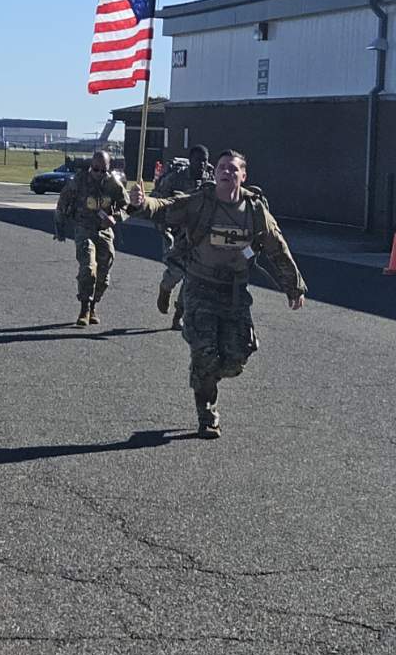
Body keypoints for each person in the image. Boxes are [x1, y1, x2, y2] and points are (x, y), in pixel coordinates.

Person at [127, 150, 305, 439]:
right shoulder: (200, 202)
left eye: (233, 169)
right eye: (222, 167)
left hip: (235, 292)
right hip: (200, 288)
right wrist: (141, 202)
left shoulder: (255, 210)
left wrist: (293, 286)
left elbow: (277, 247)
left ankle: (205, 374)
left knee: (236, 358)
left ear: (243, 176)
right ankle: (207, 413)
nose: (226, 172)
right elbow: (164, 207)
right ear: (216, 172)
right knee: (205, 353)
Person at [55, 150, 128, 327]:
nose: (99, 173)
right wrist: (59, 228)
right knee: (88, 268)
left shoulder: (113, 184)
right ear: (91, 166)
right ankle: (84, 308)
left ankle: (94, 305)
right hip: (84, 229)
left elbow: (127, 206)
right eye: (96, 169)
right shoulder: (79, 181)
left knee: (104, 274)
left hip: (104, 231)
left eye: (103, 170)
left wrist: (115, 217)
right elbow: (63, 201)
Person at [150, 144, 213, 330]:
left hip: (198, 235)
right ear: (190, 160)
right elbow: (157, 200)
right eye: (198, 160)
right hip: (176, 232)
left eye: (205, 161)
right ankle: (165, 287)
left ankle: (179, 316)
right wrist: (162, 227)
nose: (201, 164)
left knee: (192, 276)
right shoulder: (175, 178)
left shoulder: (210, 180)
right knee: (176, 270)